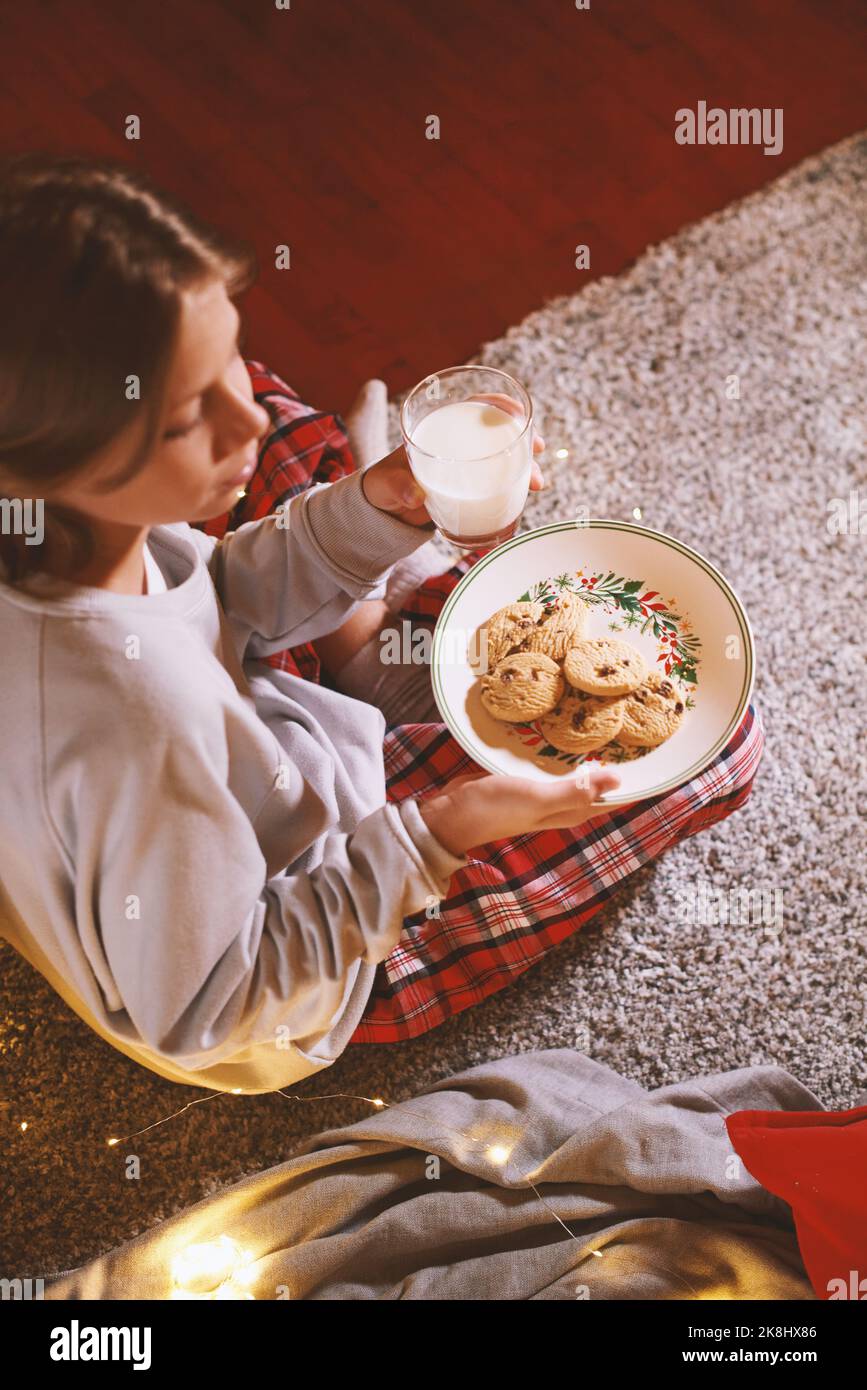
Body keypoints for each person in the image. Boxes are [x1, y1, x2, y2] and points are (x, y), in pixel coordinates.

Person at [0, 155, 764, 1093]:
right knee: (716, 736)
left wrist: (377, 504)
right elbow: (207, 1006)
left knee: (295, 442)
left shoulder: (56, 538)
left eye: (227, 357)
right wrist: (442, 831)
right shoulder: (134, 725)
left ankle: (360, 630)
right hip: (317, 964)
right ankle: (369, 639)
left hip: (252, 731)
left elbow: (216, 596)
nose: (233, 418)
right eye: (186, 417)